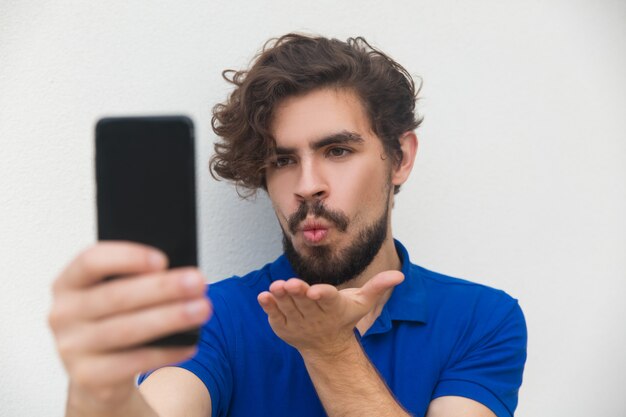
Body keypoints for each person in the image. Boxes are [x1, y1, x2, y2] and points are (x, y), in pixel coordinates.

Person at [49, 33, 527, 417]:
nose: (307, 186)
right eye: (282, 160)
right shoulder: (214, 316)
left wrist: (329, 349)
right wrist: (99, 388)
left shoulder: (482, 319)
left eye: (337, 151)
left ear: (399, 158)